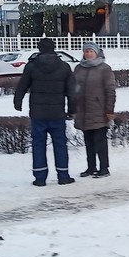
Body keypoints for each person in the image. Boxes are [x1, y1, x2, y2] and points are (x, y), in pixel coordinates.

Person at [13, 38, 77, 186]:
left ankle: (40, 178)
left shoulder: (31, 67)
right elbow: (72, 92)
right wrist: (72, 110)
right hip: (57, 113)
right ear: (54, 48)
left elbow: (22, 85)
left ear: (39, 49)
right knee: (60, 144)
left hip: (38, 113)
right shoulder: (64, 67)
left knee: (38, 144)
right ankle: (63, 175)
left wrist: (18, 102)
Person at [73, 41, 117, 178]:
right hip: (83, 111)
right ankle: (91, 167)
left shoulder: (104, 68)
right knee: (88, 142)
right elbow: (74, 89)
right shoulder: (78, 68)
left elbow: (110, 91)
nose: (88, 54)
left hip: (99, 110)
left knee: (100, 142)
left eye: (91, 51)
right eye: (86, 52)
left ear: (96, 53)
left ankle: (104, 168)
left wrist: (109, 111)